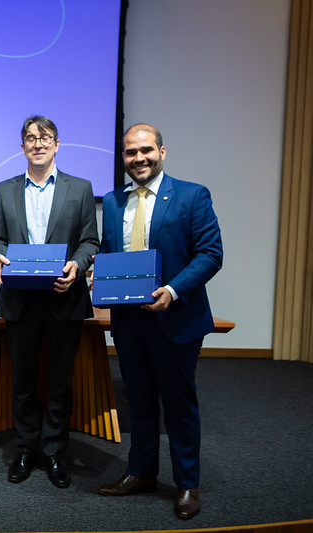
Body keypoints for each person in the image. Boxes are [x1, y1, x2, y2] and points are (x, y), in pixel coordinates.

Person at [95, 123, 223, 520]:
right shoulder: (114, 201)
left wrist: (172, 290)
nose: (139, 158)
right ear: (124, 158)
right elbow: (109, 251)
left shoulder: (191, 195)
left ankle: (187, 483)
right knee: (140, 402)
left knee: (179, 405)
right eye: (131, 152)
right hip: (130, 322)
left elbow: (210, 254)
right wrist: (95, 274)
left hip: (177, 319)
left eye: (146, 150)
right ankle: (141, 473)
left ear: (162, 152)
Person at [0, 116, 99, 488]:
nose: (38, 143)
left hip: (62, 296)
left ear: (56, 143)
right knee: (22, 380)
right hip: (20, 299)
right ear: (22, 147)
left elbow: (90, 242)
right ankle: (24, 448)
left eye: (45, 137)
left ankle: (53, 451)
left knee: (59, 382)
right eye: (30, 138)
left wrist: (77, 266)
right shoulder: (5, 189)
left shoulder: (80, 188)